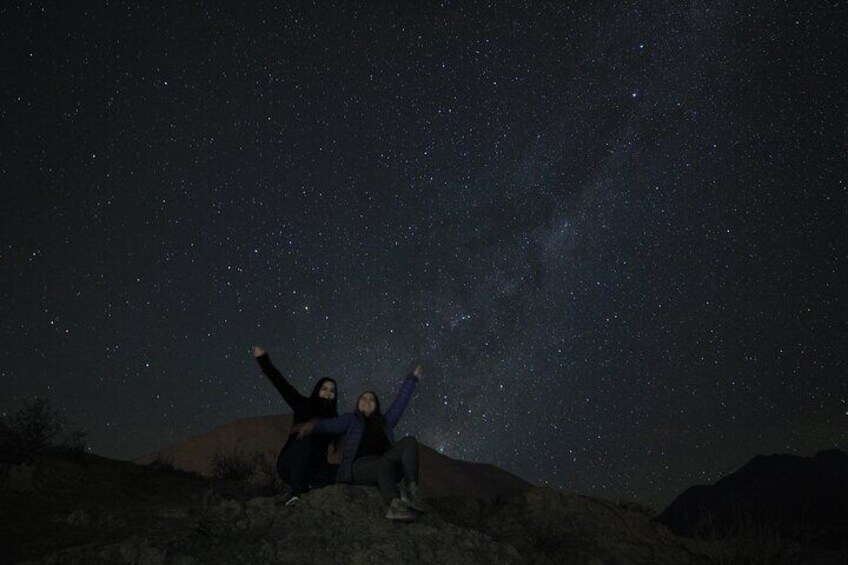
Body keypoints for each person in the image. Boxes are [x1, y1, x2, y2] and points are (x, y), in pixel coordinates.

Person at [298, 364, 426, 521]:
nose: (367, 401)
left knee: (410, 441)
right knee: (382, 464)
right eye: (363, 398)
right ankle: (394, 505)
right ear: (358, 404)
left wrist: (412, 379)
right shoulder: (351, 419)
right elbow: (330, 425)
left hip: (387, 464)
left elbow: (400, 403)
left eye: (372, 399)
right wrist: (312, 426)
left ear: (376, 406)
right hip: (358, 468)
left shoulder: (385, 422)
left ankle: (412, 491)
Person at [252, 345, 340, 506]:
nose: (328, 393)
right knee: (306, 440)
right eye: (324, 388)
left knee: (342, 470)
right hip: (289, 464)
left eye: (332, 391)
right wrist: (263, 361)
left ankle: (311, 486)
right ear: (317, 390)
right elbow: (280, 384)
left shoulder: (334, 420)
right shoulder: (303, 404)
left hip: (315, 471)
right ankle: (294, 494)